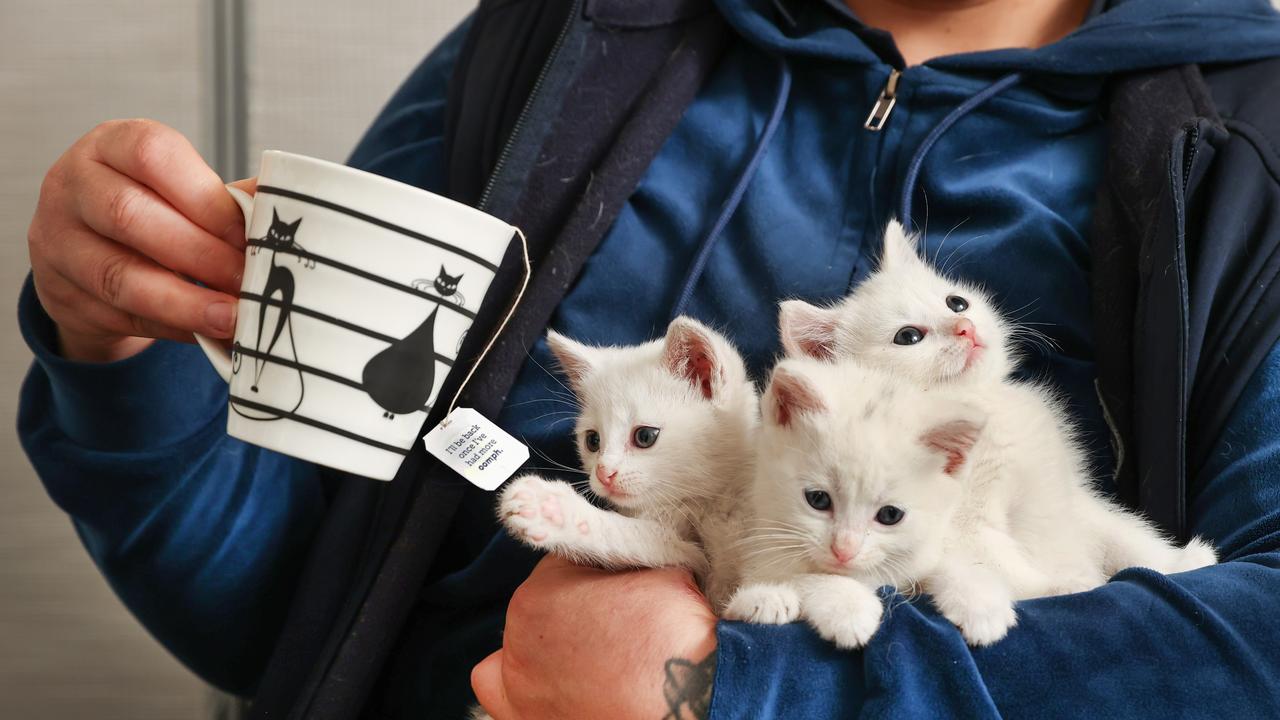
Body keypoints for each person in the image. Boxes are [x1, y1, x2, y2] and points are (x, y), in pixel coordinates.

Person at [20, 0, 1280, 717]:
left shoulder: (1241, 146)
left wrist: (727, 693)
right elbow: (301, 610)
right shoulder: (553, 46)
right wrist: (118, 347)